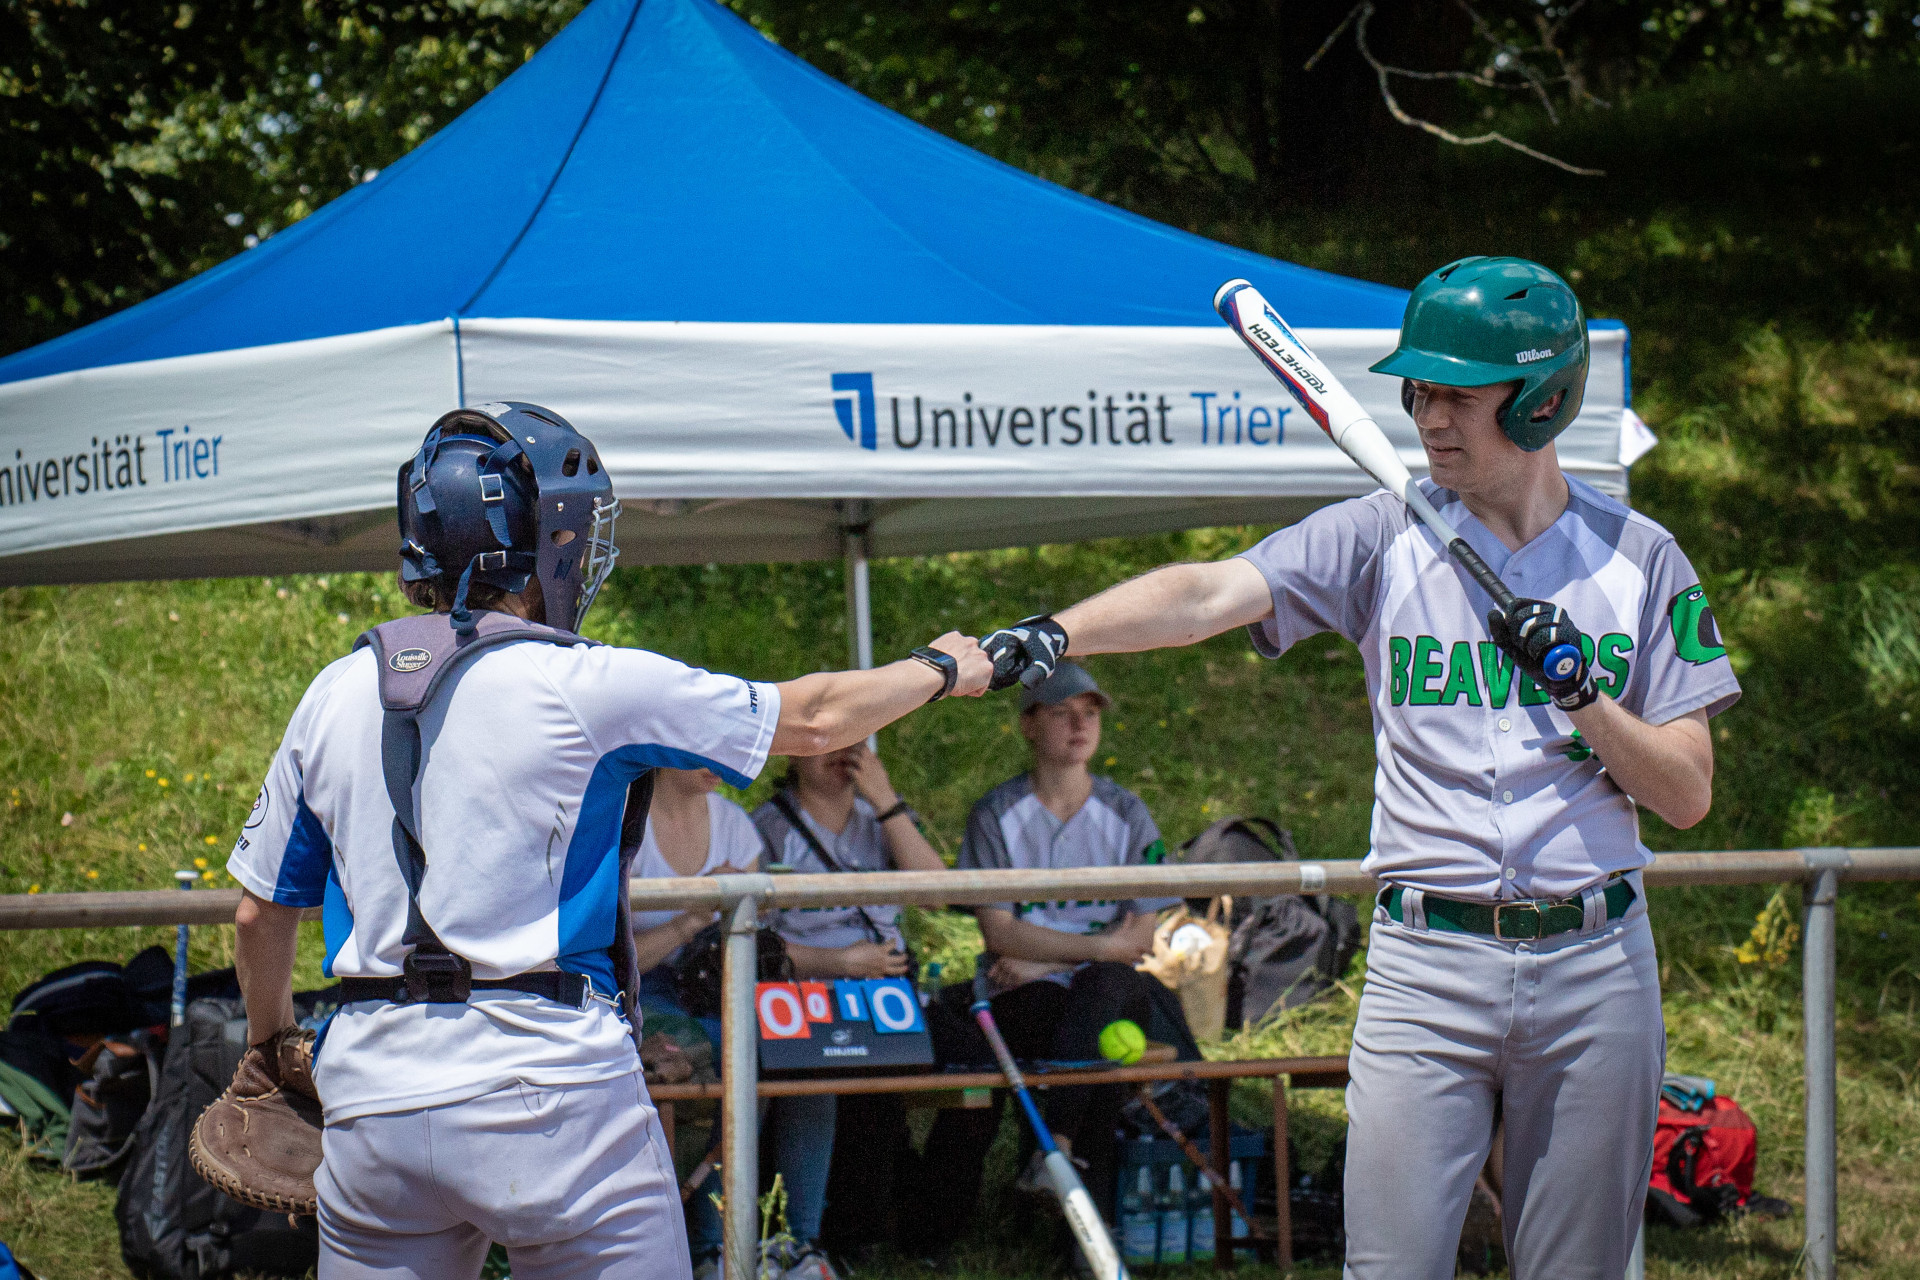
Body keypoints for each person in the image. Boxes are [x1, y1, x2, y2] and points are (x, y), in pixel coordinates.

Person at [978, 258, 1740, 1280]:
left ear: (1543, 398)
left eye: (1456, 394)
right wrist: (1052, 631)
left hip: (1596, 962)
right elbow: (1208, 591)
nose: (1426, 416)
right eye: (1416, 391)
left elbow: (1686, 793)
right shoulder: (1385, 533)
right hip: (1429, 963)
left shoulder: (1640, 558)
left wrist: (1580, 690)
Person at [224, 401, 991, 1280]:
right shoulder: (580, 681)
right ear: (540, 542)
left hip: (373, 1094)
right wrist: (945, 668)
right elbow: (816, 719)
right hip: (551, 1090)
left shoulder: (334, 690)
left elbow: (258, 915)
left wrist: (272, 1049)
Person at [905, 661, 1200, 1253]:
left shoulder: (1125, 810)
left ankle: (1053, 1153)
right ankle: (1074, 1217)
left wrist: (1051, 958)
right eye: (1063, 712)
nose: (1079, 725)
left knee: (1109, 986)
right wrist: (1087, 951)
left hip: (1097, 991)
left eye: (1090, 713)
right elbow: (1000, 936)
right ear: (1028, 726)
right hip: (1026, 995)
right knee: (1070, 1001)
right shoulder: (996, 814)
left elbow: (1140, 936)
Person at [750, 742, 945, 1269]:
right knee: (831, 1071)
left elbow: (938, 894)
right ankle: (812, 1235)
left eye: (852, 740)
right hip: (803, 991)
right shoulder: (765, 828)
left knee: (966, 1068)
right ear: (792, 753)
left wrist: (887, 801)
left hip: (888, 991)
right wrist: (839, 962)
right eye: (824, 742)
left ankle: (925, 1228)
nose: (840, 752)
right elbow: (752, 943)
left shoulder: (880, 819)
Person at [626, 765, 763, 1279]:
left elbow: (755, 948)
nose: (723, 761)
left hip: (714, 990)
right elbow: (607, 962)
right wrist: (692, 915)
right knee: (723, 1051)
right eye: (704, 745)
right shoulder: (620, 820)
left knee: (770, 1049)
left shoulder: (734, 822)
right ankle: (702, 1246)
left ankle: (718, 1248)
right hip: (640, 995)